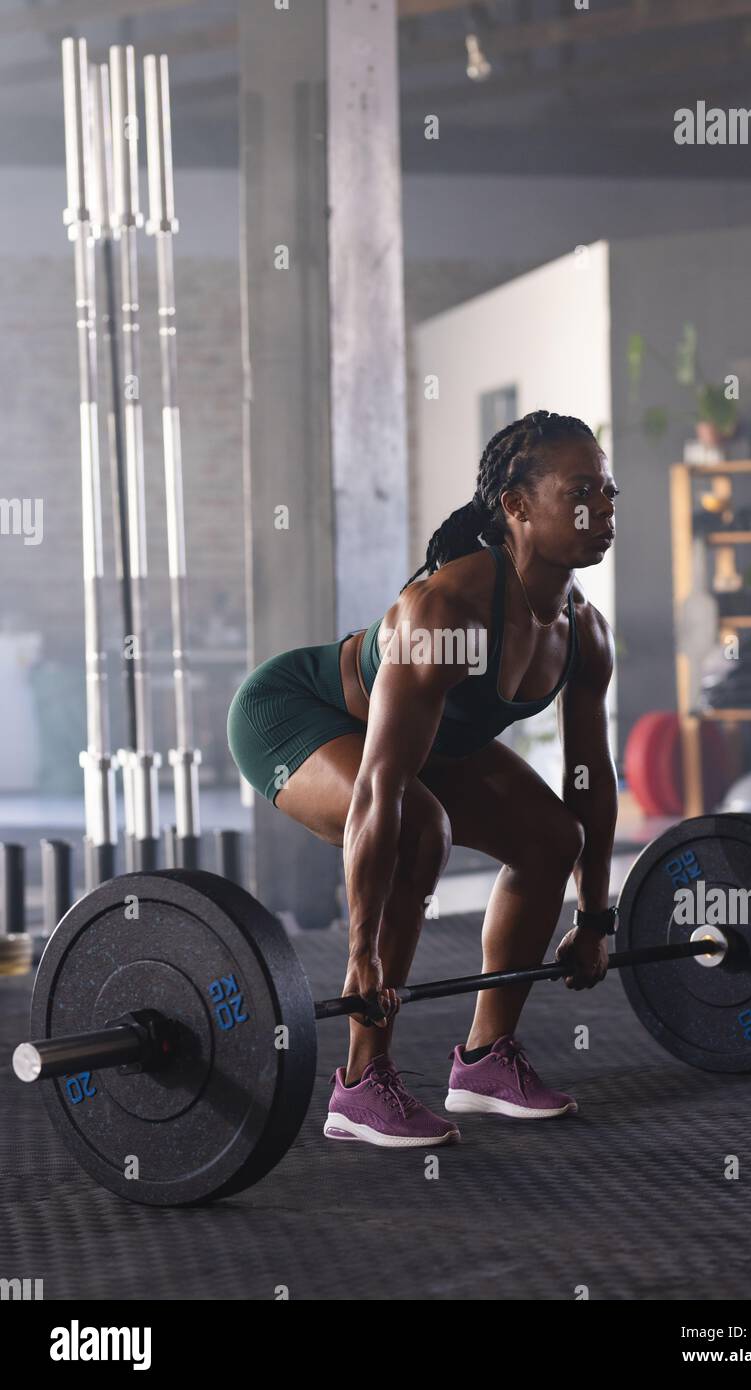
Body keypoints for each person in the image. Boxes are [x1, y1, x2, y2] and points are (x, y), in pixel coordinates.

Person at [227, 409, 618, 1148]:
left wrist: (594, 918)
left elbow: (588, 777)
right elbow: (379, 785)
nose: (600, 510)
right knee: (418, 828)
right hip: (299, 714)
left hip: (422, 741)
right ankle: (358, 1086)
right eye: (580, 491)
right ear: (516, 506)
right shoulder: (446, 611)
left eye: (607, 493)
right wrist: (361, 953)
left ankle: (482, 1064)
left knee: (547, 838)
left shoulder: (582, 632)